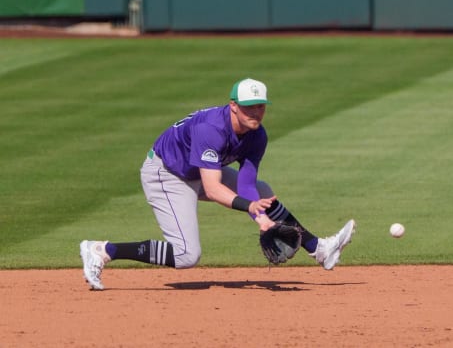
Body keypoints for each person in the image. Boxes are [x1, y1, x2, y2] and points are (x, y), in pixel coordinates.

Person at [80, 78, 355, 290]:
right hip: (166, 174)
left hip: (198, 171)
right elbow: (212, 189)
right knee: (187, 255)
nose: (256, 113)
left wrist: (261, 218)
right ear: (233, 105)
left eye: (260, 106)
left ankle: (319, 249)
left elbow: (247, 184)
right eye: (249, 107)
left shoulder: (257, 135)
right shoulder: (211, 129)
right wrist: (254, 212)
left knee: (263, 191)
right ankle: (102, 250)